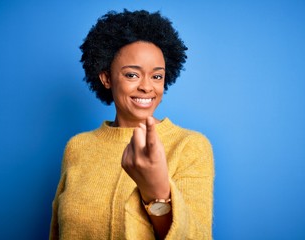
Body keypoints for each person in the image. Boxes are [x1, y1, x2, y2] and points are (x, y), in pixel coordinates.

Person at [50, 9, 214, 240]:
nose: (147, 87)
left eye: (157, 76)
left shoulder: (190, 146)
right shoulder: (77, 147)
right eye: (132, 75)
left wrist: (155, 192)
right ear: (106, 78)